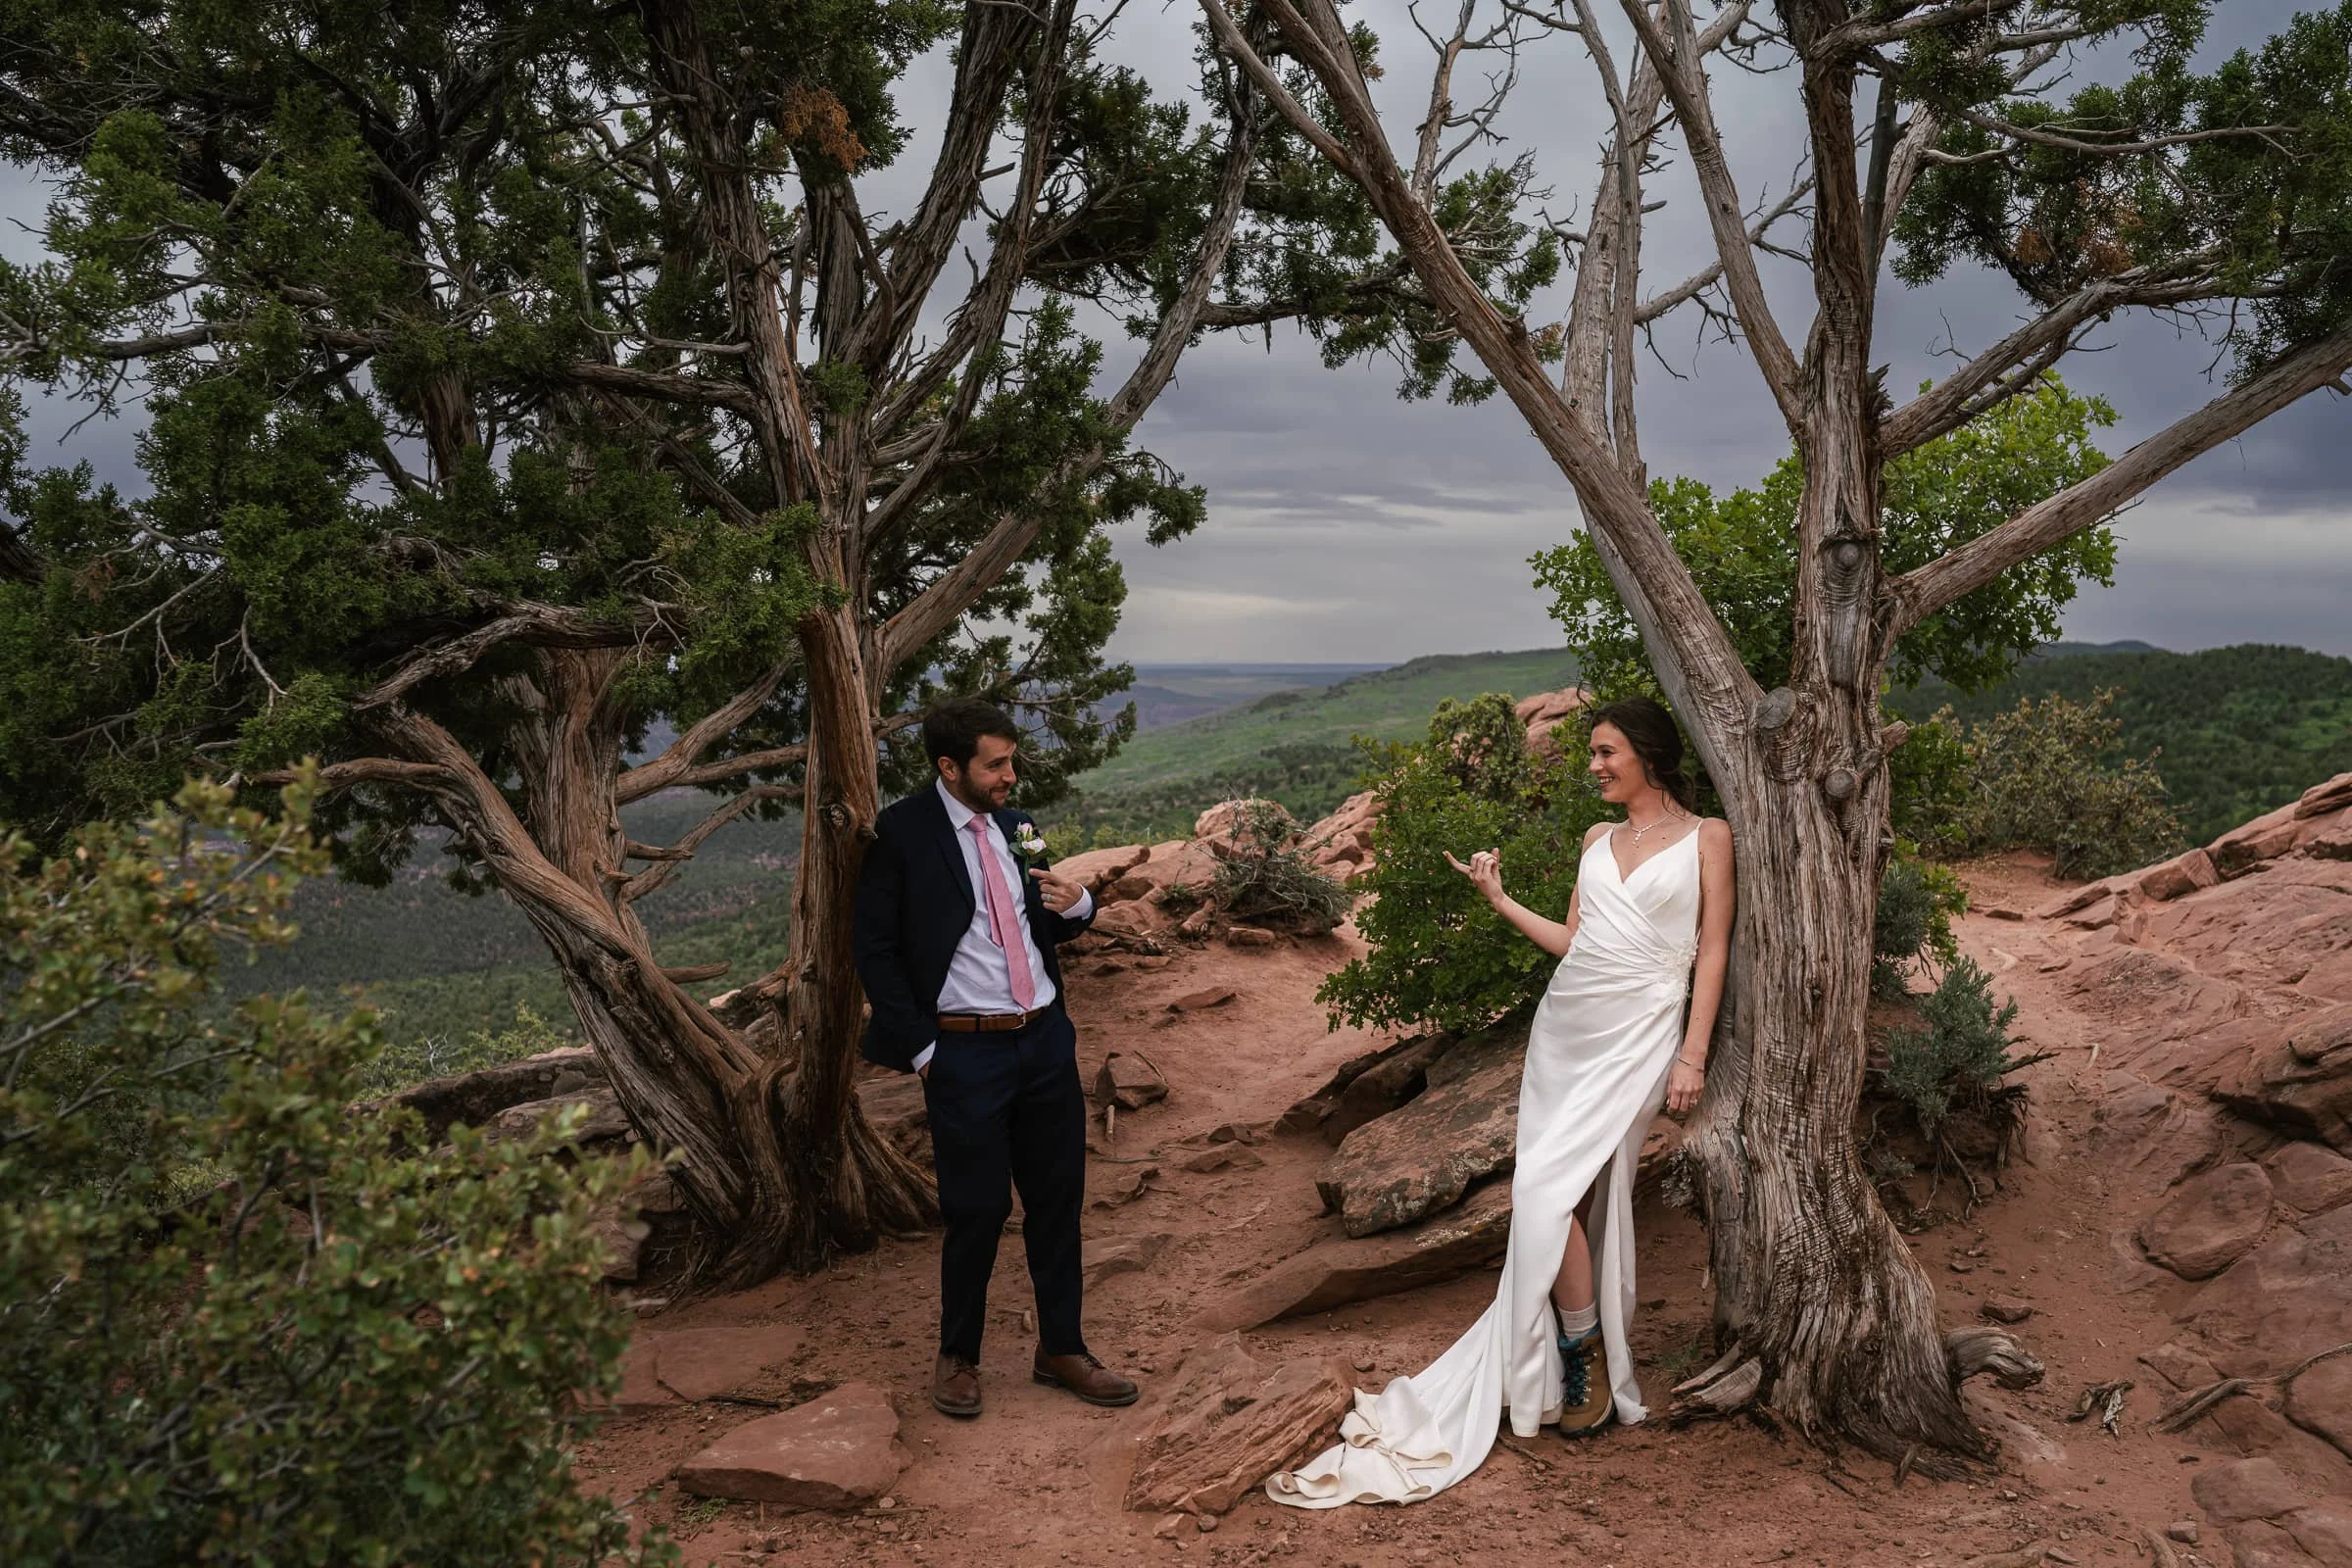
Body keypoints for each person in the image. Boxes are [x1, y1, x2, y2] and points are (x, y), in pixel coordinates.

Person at [1267, 695, 1733, 1506]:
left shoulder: (1710, 838)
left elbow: (1714, 948)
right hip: (1568, 1029)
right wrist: (1497, 897)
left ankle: (1579, 1351)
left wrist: (1693, 1054)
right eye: (1591, 751)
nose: (1593, 766)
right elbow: (1574, 941)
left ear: (1648, 754)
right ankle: (1577, 1352)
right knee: (1552, 1192)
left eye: (1605, 752)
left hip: (1641, 1034)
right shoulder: (1597, 840)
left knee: (1558, 1196)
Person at [852, 698, 1141, 1420]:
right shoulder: (902, 833)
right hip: (962, 1051)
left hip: (1043, 1040)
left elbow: (1047, 918)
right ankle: (958, 1357)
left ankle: (1062, 1348)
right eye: (997, 764)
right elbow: (876, 951)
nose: (1011, 775)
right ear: (950, 767)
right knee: (975, 1210)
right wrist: (923, 1051)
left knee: (1057, 1204)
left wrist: (1077, 907)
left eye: (1012, 760)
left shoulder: (1019, 827)